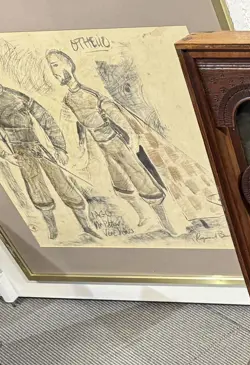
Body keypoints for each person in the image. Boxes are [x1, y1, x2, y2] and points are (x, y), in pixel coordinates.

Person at [46, 49, 174, 234]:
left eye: (55, 65)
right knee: (119, 181)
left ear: (68, 65)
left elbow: (114, 113)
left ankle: (166, 223)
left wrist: (131, 134)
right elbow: (77, 124)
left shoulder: (91, 94)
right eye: (51, 67)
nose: (54, 72)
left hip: (115, 141)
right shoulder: (67, 100)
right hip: (100, 146)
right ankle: (143, 215)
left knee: (140, 178)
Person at [0, 81, 100, 239]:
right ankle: (53, 230)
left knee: (62, 183)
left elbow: (46, 120)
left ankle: (86, 226)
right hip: (20, 153)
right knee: (36, 189)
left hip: (39, 146)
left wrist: (60, 147)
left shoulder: (17, 96)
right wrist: (5, 155)